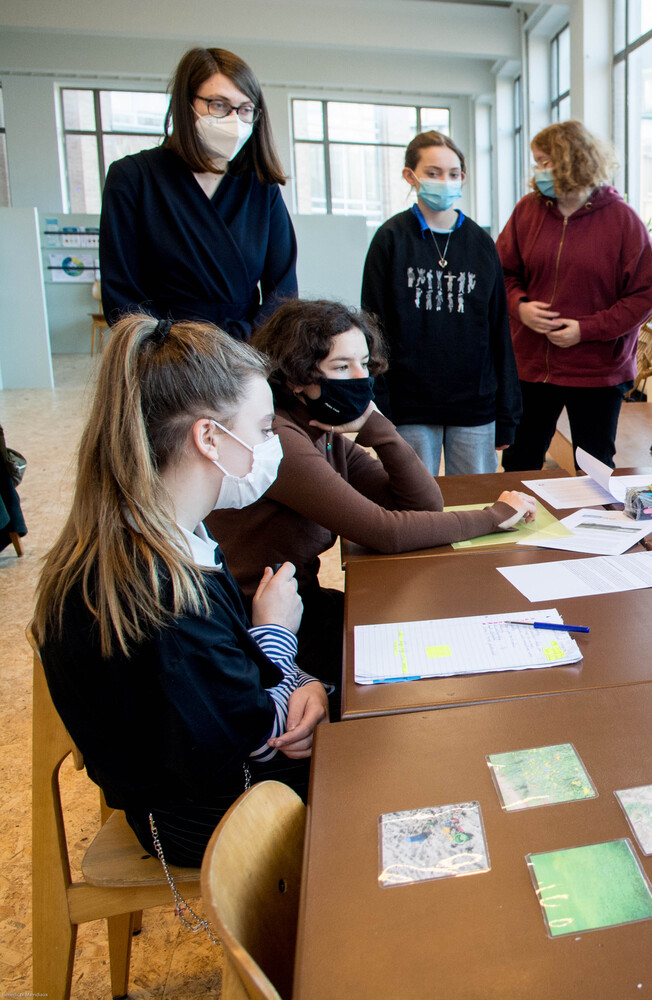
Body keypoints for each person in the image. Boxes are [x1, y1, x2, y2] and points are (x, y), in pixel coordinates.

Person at [31, 316, 329, 868]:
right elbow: (250, 733)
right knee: (378, 763)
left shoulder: (163, 535)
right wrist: (277, 636)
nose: (273, 446)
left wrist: (299, 678)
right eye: (265, 429)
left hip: (199, 783)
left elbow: (228, 681)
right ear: (209, 438)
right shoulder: (163, 596)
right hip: (202, 819)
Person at [206, 299, 536, 680]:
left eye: (364, 364)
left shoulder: (321, 429)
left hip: (298, 600)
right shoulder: (279, 438)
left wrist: (375, 426)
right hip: (257, 623)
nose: (360, 378)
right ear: (297, 377)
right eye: (341, 367)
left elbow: (425, 504)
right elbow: (383, 531)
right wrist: (493, 518)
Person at [100, 47, 296, 342]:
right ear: (186, 104)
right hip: (165, 353)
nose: (234, 120)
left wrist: (251, 344)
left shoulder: (260, 187)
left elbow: (282, 292)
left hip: (246, 350)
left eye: (245, 109)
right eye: (218, 105)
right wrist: (172, 347)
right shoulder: (132, 178)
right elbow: (121, 295)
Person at [497, 121, 652, 470]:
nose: (538, 171)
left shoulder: (623, 220)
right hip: (532, 365)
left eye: (545, 162)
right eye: (537, 163)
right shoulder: (527, 210)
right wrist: (520, 307)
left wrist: (586, 330)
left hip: (597, 370)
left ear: (572, 161)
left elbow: (643, 298)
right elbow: (503, 272)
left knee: (594, 467)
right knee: (519, 461)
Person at [362, 131, 520, 476]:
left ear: (463, 177)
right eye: (433, 173)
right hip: (409, 403)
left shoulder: (481, 243)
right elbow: (372, 329)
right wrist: (379, 403)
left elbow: (499, 330)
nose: (444, 181)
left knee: (475, 499)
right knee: (415, 497)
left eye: (453, 173)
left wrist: (507, 412)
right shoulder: (390, 239)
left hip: (474, 403)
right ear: (410, 175)